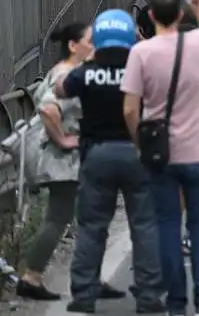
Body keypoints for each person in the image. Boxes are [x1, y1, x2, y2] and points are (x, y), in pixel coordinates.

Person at [121, 0, 199, 316]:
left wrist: (141, 143)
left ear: (151, 16)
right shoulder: (197, 42)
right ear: (180, 14)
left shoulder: (141, 53)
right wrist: (198, 8)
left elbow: (129, 110)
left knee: (167, 226)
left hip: (161, 153)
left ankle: (177, 303)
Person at [57, 11, 164, 314]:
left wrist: (84, 60)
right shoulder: (140, 68)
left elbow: (60, 88)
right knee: (144, 225)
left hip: (97, 154)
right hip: (137, 152)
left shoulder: (88, 71)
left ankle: (84, 294)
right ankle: (148, 297)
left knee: (92, 227)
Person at [16, 23, 110, 302]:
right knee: (59, 218)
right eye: (91, 41)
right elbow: (47, 107)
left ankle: (86, 277)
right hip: (65, 159)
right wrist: (64, 139)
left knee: (75, 216)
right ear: (73, 45)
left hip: (67, 158)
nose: (95, 46)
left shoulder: (60, 71)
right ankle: (31, 278)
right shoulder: (69, 74)